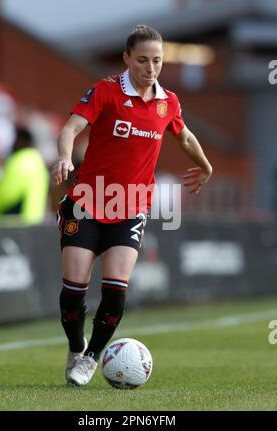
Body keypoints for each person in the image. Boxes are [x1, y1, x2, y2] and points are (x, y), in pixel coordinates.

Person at [51, 24, 213, 387]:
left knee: (115, 290)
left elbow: (183, 135)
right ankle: (76, 346)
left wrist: (205, 166)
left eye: (157, 60)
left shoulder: (167, 101)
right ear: (127, 58)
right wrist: (64, 157)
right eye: (142, 60)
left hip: (130, 207)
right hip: (87, 203)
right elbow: (71, 127)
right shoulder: (106, 91)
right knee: (73, 293)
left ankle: (91, 358)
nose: (150, 68)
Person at [0, 126, 49, 224]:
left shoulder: (20, 161)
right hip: (34, 224)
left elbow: (5, 194)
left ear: (20, 141)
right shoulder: (39, 162)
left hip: (15, 224)